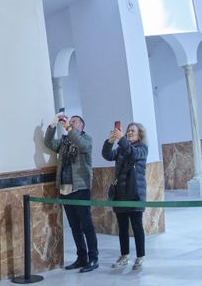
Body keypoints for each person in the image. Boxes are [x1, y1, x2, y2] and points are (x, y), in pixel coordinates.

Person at [42, 113, 98, 272]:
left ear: (81, 126)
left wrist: (68, 128)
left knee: (87, 225)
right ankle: (81, 257)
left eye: (74, 122)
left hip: (80, 188)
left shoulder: (86, 139)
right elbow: (49, 143)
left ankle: (93, 258)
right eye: (69, 121)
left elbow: (83, 146)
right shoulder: (65, 142)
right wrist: (53, 125)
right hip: (65, 189)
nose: (71, 124)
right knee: (74, 226)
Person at [103, 122, 148, 273]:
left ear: (140, 134)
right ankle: (124, 255)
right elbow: (107, 155)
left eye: (132, 131)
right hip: (120, 194)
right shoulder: (122, 148)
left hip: (135, 194)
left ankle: (140, 256)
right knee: (122, 228)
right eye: (128, 131)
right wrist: (110, 141)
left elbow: (133, 154)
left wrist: (121, 139)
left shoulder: (142, 148)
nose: (129, 133)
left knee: (136, 227)